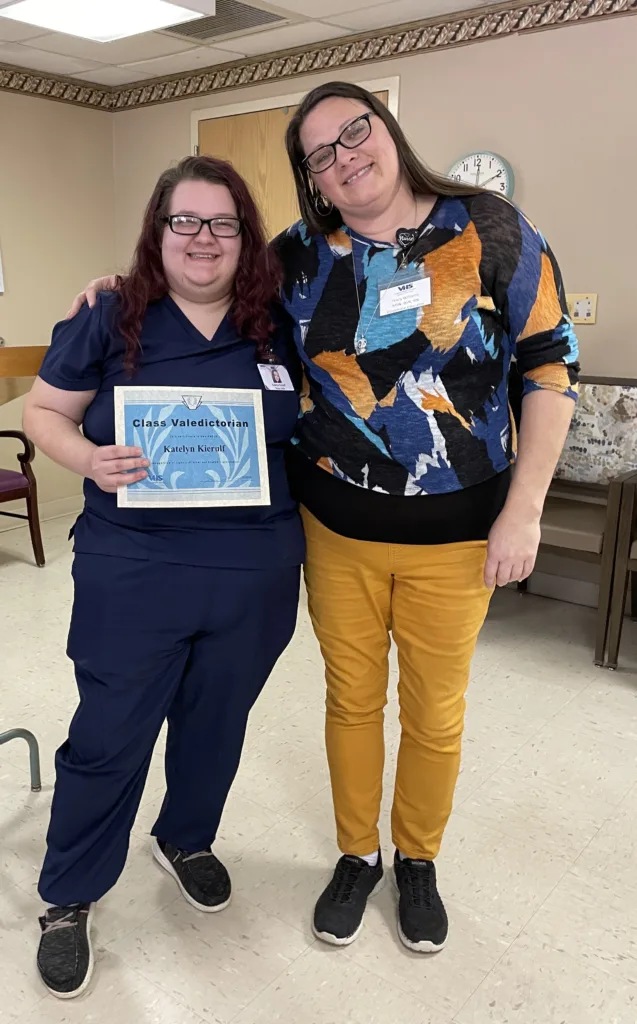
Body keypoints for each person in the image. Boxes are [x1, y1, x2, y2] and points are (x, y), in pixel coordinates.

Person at [67, 82, 579, 957]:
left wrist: (524, 510)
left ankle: (415, 862)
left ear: (388, 130)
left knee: (434, 711)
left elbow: (548, 369)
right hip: (331, 529)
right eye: (321, 155)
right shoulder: (301, 253)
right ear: (311, 180)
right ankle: (357, 853)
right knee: (349, 700)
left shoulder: (488, 228)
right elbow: (209, 273)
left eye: (356, 132)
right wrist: (126, 284)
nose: (346, 158)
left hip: (458, 532)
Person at [23, 156, 304, 999]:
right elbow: (43, 412)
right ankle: (68, 895)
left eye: (222, 223)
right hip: (134, 566)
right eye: (185, 221)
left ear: (245, 237)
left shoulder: (280, 319)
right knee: (111, 732)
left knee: (216, 721)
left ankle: (185, 836)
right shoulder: (112, 313)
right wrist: (88, 460)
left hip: (252, 567)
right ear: (157, 230)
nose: (204, 238)